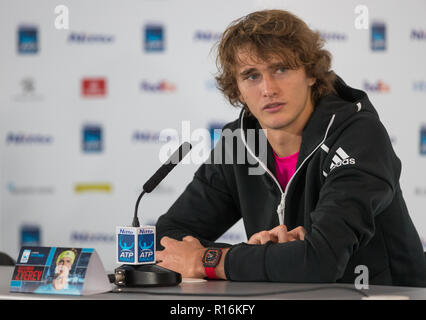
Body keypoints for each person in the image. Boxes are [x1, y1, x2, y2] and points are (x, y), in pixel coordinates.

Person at [155, 9, 426, 286]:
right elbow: (168, 237)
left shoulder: (358, 136)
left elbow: (321, 261)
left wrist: (209, 260)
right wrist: (265, 257)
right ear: (236, 90)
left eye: (281, 69)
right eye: (251, 76)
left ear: (311, 74)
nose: (268, 89)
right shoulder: (238, 142)